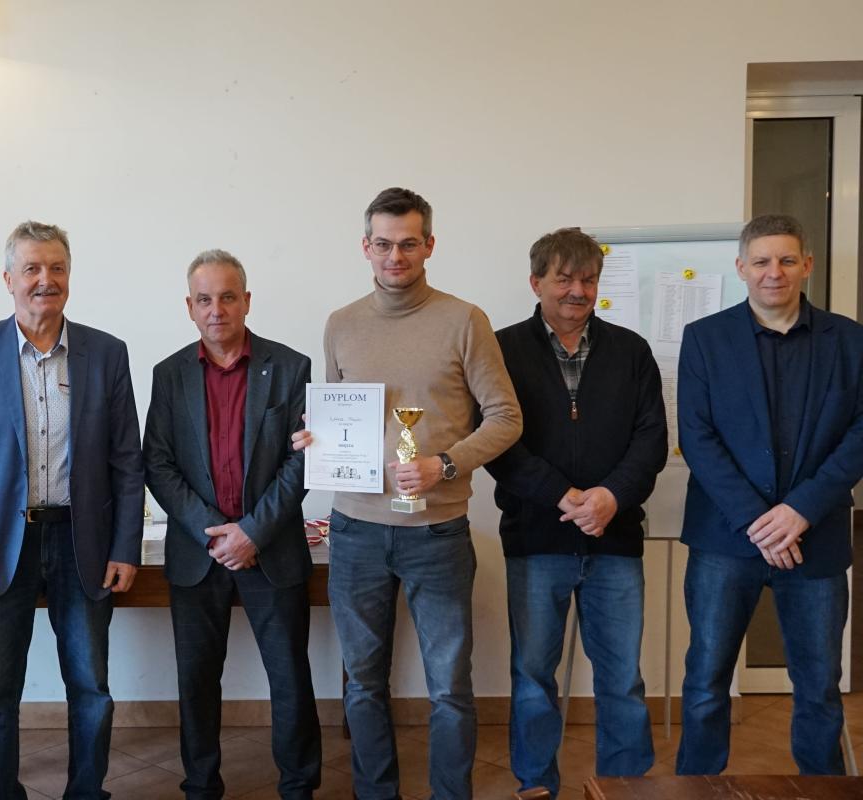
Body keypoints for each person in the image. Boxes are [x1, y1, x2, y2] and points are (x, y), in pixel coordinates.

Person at [294, 187, 523, 799]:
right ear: (365, 247)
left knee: (449, 687)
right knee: (363, 683)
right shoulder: (341, 324)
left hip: (437, 533)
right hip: (355, 532)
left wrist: (444, 464)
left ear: (429, 246)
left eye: (408, 244)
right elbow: (340, 414)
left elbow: (506, 417)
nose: (396, 256)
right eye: (384, 244)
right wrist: (319, 437)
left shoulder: (464, 320)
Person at [0, 220, 144, 799]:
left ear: (69, 276)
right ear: (9, 279)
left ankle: (86, 792)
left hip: (83, 541)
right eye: (31, 268)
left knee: (91, 688)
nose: (45, 280)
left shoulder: (107, 353)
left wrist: (126, 546)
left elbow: (127, 461)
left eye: (57, 268)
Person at [675, 213, 863, 776]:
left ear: (807, 264)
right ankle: (698, 788)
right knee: (706, 681)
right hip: (724, 539)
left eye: (786, 260)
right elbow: (697, 437)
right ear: (741, 267)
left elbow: (860, 433)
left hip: (816, 538)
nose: (773, 272)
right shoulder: (704, 339)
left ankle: (823, 787)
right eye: (760, 261)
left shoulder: (850, 340)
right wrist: (760, 521)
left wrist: (801, 509)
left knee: (819, 685)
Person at [486, 228, 666, 797]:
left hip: (616, 539)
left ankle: (625, 788)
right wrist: (561, 495)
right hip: (536, 539)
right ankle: (536, 785)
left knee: (623, 680)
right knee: (533, 679)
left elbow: (651, 440)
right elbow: (496, 442)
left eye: (588, 279)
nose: (577, 290)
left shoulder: (631, 350)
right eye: (564, 279)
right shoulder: (501, 350)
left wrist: (611, 496)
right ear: (535, 282)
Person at [143, 249, 321, 799]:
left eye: (226, 297)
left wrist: (251, 532)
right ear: (189, 307)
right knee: (197, 679)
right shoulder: (169, 374)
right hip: (199, 553)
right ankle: (201, 785)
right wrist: (215, 531)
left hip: (271, 549)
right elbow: (158, 463)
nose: (216, 309)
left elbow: (304, 460)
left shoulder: (290, 367)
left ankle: (299, 787)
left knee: (289, 677)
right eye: (204, 299)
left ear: (246, 300)